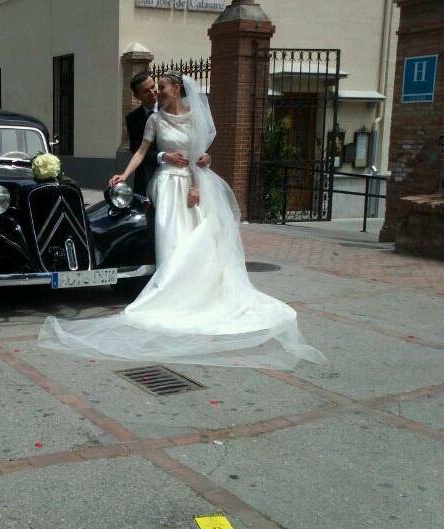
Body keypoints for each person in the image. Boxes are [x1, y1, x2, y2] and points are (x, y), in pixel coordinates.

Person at [38, 72, 325, 370]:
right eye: (155, 88)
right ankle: (171, 292)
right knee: (171, 241)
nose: (157, 92)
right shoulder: (155, 120)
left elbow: (201, 155)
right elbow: (141, 152)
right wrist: (125, 174)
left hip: (191, 188)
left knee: (195, 240)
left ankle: (196, 294)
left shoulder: (193, 119)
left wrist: (201, 173)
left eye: (161, 87)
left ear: (177, 89)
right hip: (166, 187)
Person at [126, 72, 209, 196]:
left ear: (176, 89)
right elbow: (138, 150)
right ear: (137, 96)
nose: (154, 92)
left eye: (154, 87)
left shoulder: (190, 115)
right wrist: (164, 156)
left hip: (190, 178)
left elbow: (195, 145)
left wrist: (205, 156)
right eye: (146, 91)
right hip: (155, 178)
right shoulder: (137, 118)